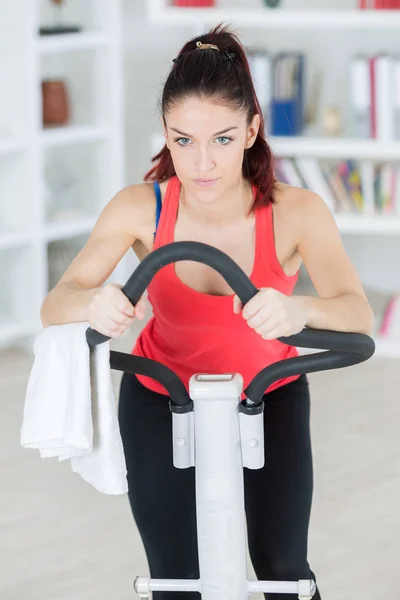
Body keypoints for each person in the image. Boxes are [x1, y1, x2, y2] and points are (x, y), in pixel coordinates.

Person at [41, 24, 374, 600]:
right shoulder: (138, 207)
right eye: (183, 140)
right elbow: (56, 305)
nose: (201, 164)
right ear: (165, 135)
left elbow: (356, 314)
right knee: (175, 578)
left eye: (221, 139)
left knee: (285, 574)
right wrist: (94, 303)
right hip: (160, 395)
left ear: (251, 130)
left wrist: (298, 311)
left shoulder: (297, 212)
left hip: (268, 394)